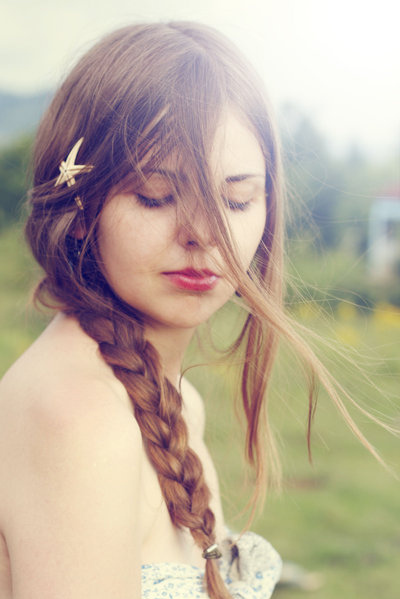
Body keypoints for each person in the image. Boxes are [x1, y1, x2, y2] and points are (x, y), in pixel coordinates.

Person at [0, 21, 386, 599]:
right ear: (81, 208)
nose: (204, 233)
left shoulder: (169, 398)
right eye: (156, 196)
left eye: (236, 198)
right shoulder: (77, 412)